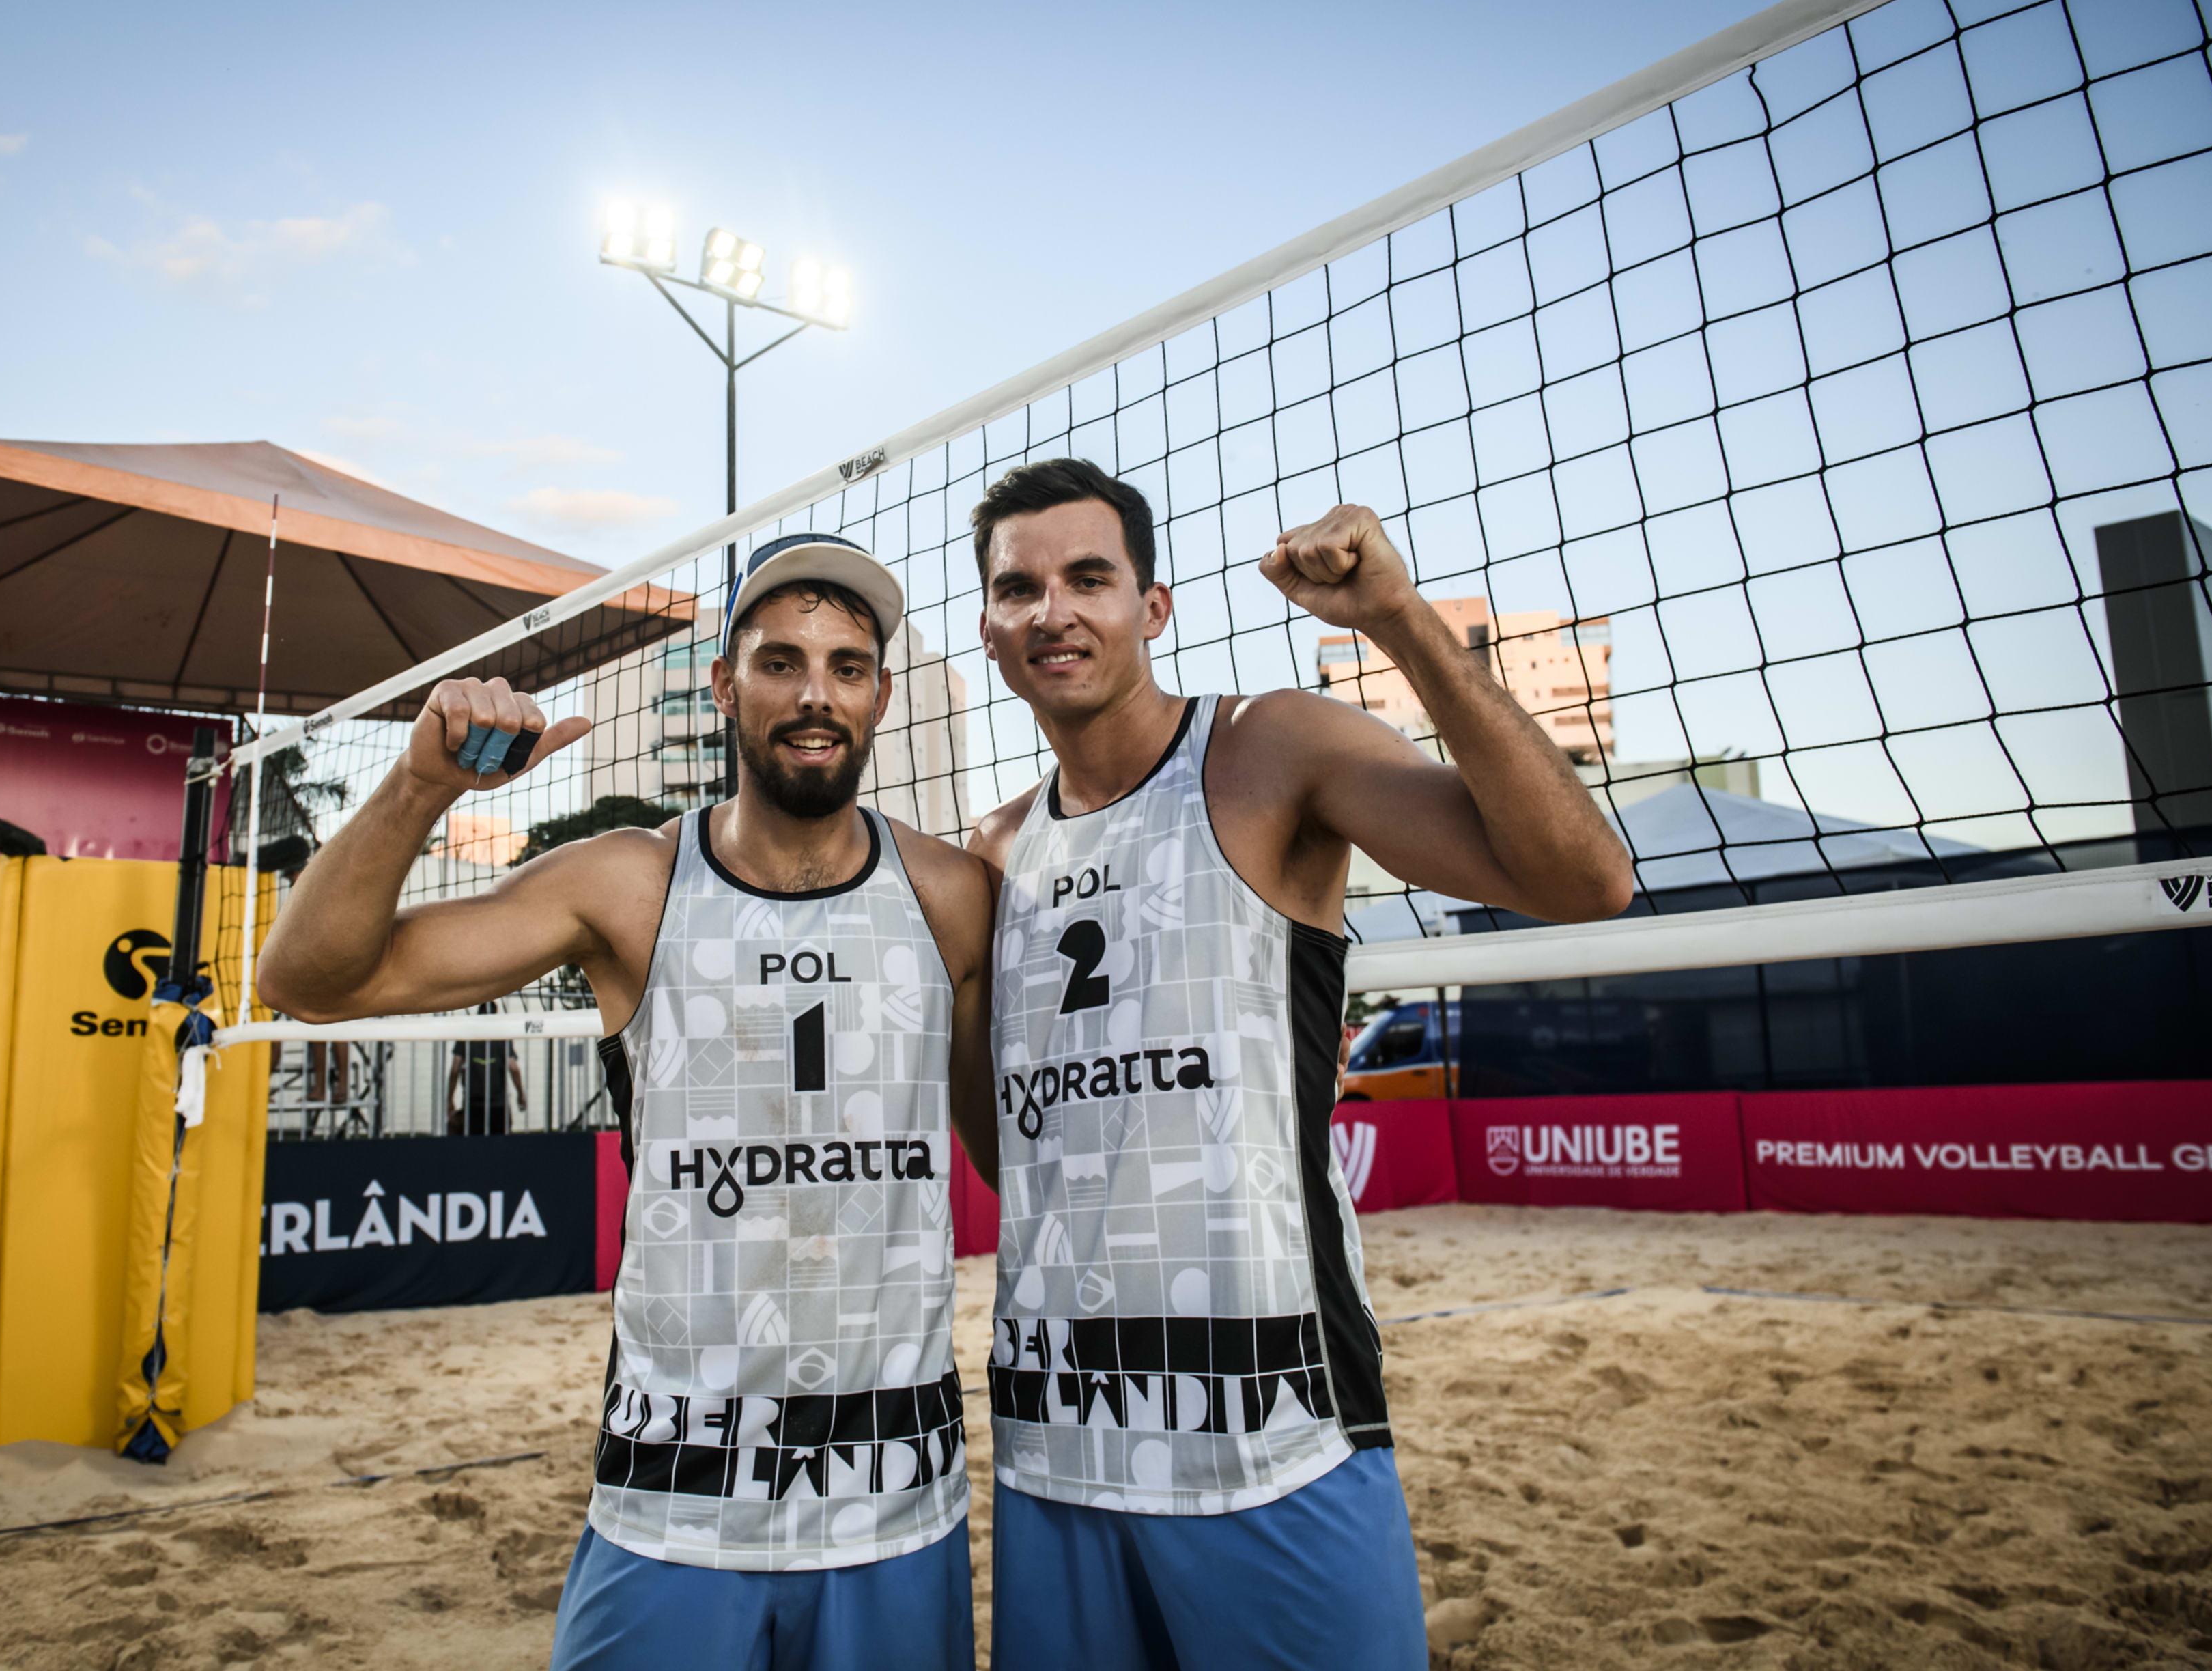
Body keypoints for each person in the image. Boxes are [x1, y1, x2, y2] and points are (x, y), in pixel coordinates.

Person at [257, 533, 995, 1671]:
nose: (814, 692)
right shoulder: (630, 881)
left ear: (882, 694)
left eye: (848, 665)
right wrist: (422, 784)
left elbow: (1006, 1142)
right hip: (672, 1494)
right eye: (780, 659)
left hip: (891, 1497)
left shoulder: (949, 894)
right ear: (723, 684)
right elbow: (306, 979)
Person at [961, 458, 1634, 1671]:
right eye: (1021, 586)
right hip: (1058, 1431)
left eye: (1089, 577)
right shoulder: (997, 846)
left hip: (1274, 1418)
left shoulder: (1266, 747)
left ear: (1152, 607)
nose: (1053, 608)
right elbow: (1007, 1147)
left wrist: (1398, 621)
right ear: (989, 627)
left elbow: (1585, 879)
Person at [446, 1012, 527, 1135]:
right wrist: (521, 1093)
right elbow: (513, 1068)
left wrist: (450, 1098)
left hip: (473, 1105)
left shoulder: (467, 1037)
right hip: (498, 1105)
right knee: (501, 1148)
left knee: (474, 1147)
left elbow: (454, 1070)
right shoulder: (502, 1038)